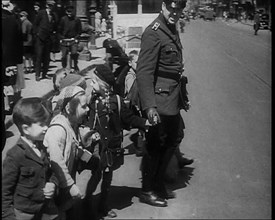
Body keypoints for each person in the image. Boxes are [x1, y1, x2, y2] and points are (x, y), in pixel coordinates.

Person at [136, 0, 193, 207]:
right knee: (155, 145)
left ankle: (157, 184)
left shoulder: (170, 28)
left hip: (171, 97)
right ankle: (148, 190)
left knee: (174, 136)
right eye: (171, 8)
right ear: (163, 6)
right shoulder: (153, 32)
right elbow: (144, 72)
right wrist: (149, 107)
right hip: (159, 101)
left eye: (179, 9)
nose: (175, 13)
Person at [85, 64, 150, 220]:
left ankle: (103, 205)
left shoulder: (117, 101)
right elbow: (84, 118)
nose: (91, 84)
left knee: (108, 177)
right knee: (96, 175)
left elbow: (128, 118)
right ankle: (87, 203)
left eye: (94, 81)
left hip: (111, 147)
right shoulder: (91, 101)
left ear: (102, 84)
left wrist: (144, 122)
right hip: (96, 146)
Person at [2, 97, 59, 220]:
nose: (46, 128)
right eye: (41, 124)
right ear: (26, 129)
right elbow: (4, 193)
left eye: (47, 123)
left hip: (45, 210)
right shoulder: (15, 156)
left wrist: (52, 183)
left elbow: (51, 171)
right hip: (24, 214)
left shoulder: (41, 146)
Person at [43, 85, 93, 220]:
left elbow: (72, 147)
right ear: (69, 108)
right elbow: (57, 160)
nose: (87, 109)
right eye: (83, 106)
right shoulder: (58, 129)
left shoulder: (71, 124)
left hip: (64, 183)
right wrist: (70, 186)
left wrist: (88, 157)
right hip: (56, 186)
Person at [33, 0, 57, 81]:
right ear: (46, 5)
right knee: (39, 56)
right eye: (49, 6)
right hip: (40, 38)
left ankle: (44, 73)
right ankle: (37, 74)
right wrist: (37, 34)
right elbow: (35, 24)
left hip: (48, 38)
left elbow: (54, 26)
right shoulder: (41, 13)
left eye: (52, 6)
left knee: (47, 57)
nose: (50, 7)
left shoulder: (53, 15)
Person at [58, 4, 82, 72]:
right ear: (66, 12)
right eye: (68, 12)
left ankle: (75, 66)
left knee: (74, 53)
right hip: (64, 39)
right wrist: (61, 38)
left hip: (73, 39)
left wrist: (76, 38)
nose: (69, 13)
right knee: (64, 56)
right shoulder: (63, 19)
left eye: (71, 12)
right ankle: (64, 68)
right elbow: (59, 30)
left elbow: (79, 31)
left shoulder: (77, 20)